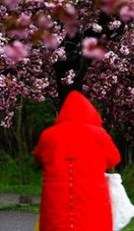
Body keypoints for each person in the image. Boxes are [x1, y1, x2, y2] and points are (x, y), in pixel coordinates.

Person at [33, 90, 121, 231]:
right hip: (92, 200)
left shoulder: (48, 135)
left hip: (56, 202)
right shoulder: (100, 135)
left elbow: (39, 157)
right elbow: (114, 159)